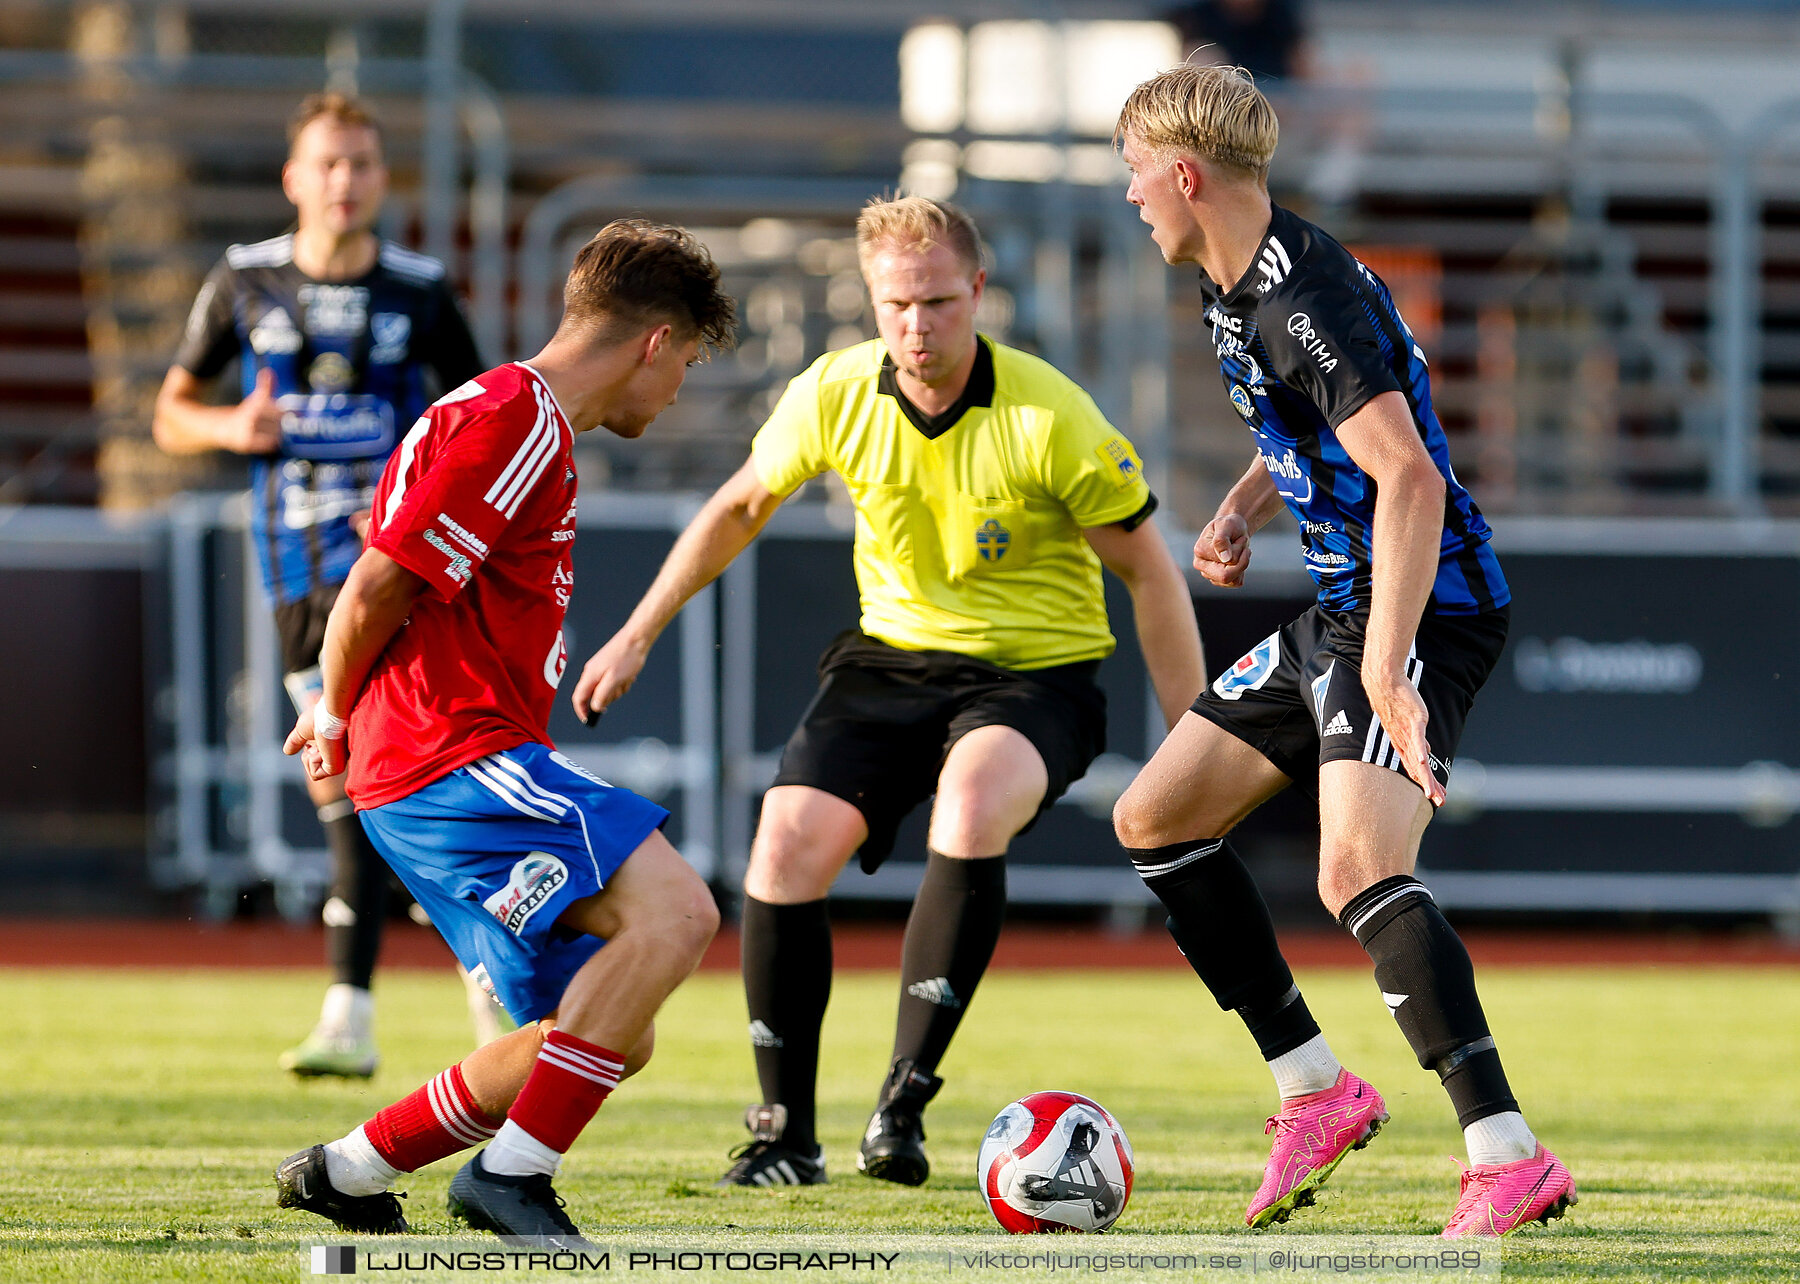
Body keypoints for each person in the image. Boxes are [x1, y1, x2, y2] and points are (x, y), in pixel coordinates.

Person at [573, 196, 1206, 1190]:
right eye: (897, 304)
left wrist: (1194, 738)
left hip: (1035, 676)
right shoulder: (835, 392)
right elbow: (739, 506)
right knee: (780, 846)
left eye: (940, 303)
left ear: (978, 294)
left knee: (972, 796)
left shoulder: (1052, 417)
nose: (918, 326)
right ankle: (785, 1134)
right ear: (872, 300)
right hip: (888, 662)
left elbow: (1153, 576)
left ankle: (903, 1104)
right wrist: (636, 631)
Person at [1111, 64, 1575, 1238]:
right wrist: (1237, 511)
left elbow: (1409, 475)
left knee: (1354, 868)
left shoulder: (1296, 296)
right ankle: (1315, 1089)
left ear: (1183, 173)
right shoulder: (1239, 283)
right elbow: (1313, 436)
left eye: (1132, 176)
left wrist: (1384, 663)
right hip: (1340, 603)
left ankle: (1504, 1152)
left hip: (1426, 604)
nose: (1129, 200)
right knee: (1155, 818)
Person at [272, 218, 735, 1245]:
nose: (679, 390)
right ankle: (512, 1177)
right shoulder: (519, 420)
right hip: (448, 755)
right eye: (689, 364)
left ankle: (345, 1170)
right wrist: (335, 705)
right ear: (655, 343)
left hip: (429, 766)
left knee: (605, 1027)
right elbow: (379, 580)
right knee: (679, 915)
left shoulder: (512, 415)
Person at [153, 92, 488, 1078]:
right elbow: (171, 410)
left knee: (407, 774)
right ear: (295, 178)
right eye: (327, 164)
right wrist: (228, 428)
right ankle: (380, 1006)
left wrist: (416, 500)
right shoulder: (246, 279)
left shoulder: (420, 290)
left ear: (383, 181)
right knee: (349, 785)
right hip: (297, 577)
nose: (345, 183)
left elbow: (480, 418)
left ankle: (399, 1003)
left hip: (397, 570)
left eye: (362, 165)